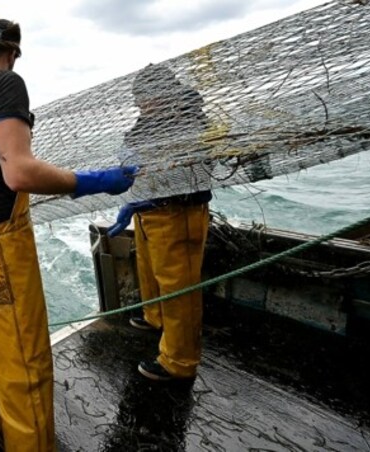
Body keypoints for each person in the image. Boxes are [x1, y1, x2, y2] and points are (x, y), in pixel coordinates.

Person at [0, 15, 137, 452]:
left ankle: (11, 432)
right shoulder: (6, 84)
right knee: (28, 362)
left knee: (1, 349)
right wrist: (94, 181)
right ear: (12, 53)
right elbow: (19, 171)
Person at [107, 63, 211, 382]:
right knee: (150, 270)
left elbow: (190, 165)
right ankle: (155, 317)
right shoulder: (150, 122)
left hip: (178, 212)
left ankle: (179, 360)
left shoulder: (188, 120)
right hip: (148, 210)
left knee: (178, 285)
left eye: (145, 98)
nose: (141, 105)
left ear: (163, 94)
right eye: (139, 99)